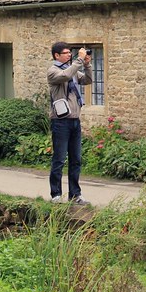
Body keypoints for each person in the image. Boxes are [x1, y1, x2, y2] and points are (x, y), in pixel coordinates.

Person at [47, 41, 91, 205]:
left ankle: (75, 194)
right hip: (60, 122)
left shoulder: (72, 70)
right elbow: (65, 76)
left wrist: (86, 65)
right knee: (59, 159)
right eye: (66, 53)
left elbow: (86, 80)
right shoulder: (53, 71)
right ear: (57, 55)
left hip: (74, 121)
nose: (69, 55)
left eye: (69, 52)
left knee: (76, 159)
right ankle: (56, 194)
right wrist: (78, 61)